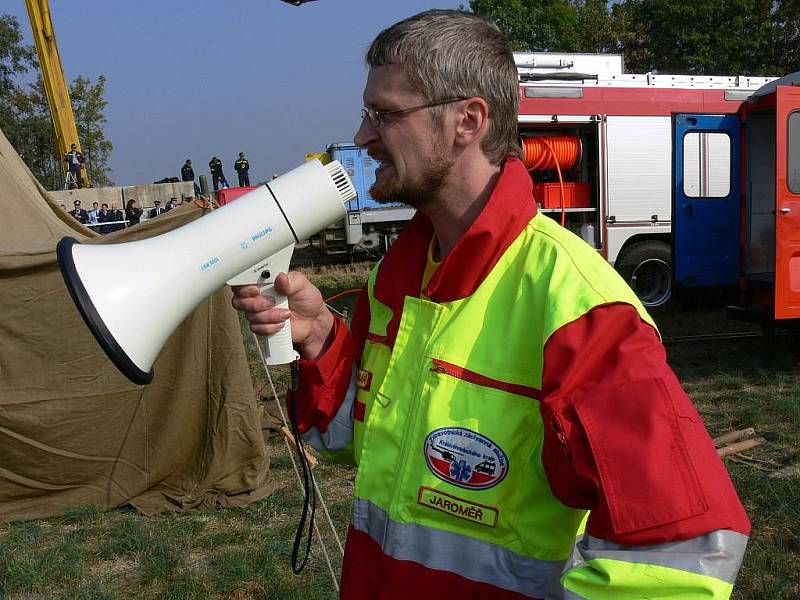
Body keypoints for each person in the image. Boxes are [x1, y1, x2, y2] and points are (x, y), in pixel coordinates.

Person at [231, 10, 750, 599]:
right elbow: (370, 446)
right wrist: (322, 338)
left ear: (467, 120)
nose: (362, 137)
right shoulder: (395, 280)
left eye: (385, 114)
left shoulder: (580, 309)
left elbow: (681, 552)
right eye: (366, 113)